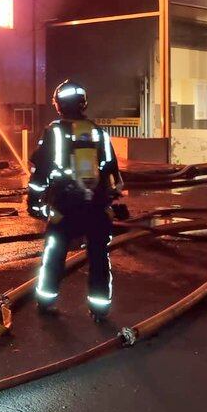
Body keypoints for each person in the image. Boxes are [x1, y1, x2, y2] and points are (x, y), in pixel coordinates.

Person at [27, 80, 125, 319]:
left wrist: (35, 202)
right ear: (83, 104)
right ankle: (100, 308)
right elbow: (111, 169)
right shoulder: (98, 132)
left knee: (55, 253)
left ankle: (46, 301)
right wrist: (108, 200)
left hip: (65, 205)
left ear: (59, 105)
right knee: (99, 256)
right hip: (96, 206)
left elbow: (41, 170)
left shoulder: (54, 132)